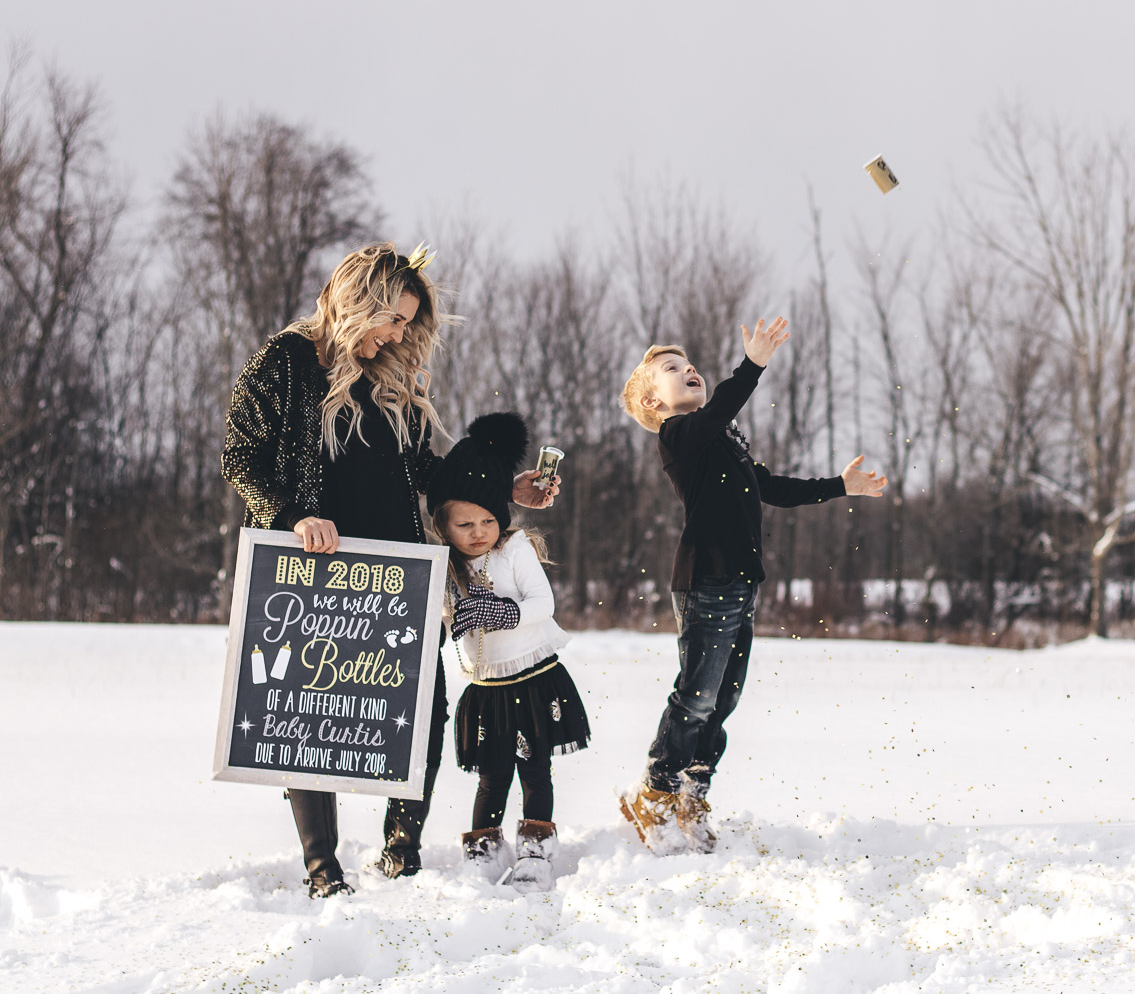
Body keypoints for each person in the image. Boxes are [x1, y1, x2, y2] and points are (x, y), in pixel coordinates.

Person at [222, 243, 560, 896]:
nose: (399, 333)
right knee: (309, 712)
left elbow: (426, 472)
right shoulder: (287, 361)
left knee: (419, 706)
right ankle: (323, 870)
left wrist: (497, 490)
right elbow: (240, 454)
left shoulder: (392, 377)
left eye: (408, 323)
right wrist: (292, 514)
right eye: (393, 318)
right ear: (358, 302)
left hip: (398, 572)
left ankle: (401, 850)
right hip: (313, 569)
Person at [614, 317, 889, 852]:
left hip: (741, 584)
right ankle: (654, 793)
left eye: (688, 362)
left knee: (722, 701)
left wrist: (838, 486)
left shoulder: (723, 440)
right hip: (705, 582)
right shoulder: (681, 437)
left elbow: (771, 488)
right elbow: (719, 407)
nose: (688, 368)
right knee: (694, 696)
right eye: (672, 369)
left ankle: (692, 793)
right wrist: (753, 364)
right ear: (654, 405)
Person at [426, 412, 590, 891]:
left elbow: (545, 603)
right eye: (465, 524)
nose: (478, 532)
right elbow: (447, 623)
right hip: (488, 687)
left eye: (487, 520)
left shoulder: (514, 550)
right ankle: (484, 852)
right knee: (493, 775)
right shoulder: (446, 569)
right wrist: (457, 616)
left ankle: (537, 849)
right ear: (444, 526)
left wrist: (503, 613)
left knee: (535, 769)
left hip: (535, 678)